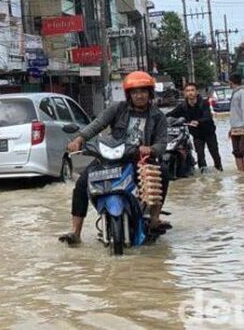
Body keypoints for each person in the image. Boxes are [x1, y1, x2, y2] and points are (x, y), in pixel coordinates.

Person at [58, 71, 169, 245]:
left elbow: (162, 143)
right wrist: (79, 139)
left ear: (150, 93)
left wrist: (151, 149)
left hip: (140, 159)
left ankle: (154, 218)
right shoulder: (118, 108)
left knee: (163, 171)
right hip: (112, 157)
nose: (139, 95)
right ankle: (75, 231)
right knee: (81, 183)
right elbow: (97, 124)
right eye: (134, 92)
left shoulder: (158, 116)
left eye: (143, 91)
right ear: (129, 94)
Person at [167, 82, 222, 172]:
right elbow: (170, 114)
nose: (190, 93)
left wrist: (198, 121)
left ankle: (219, 170)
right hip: (197, 135)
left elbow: (207, 117)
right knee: (200, 155)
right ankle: (203, 175)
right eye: (188, 91)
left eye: (192, 90)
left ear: (196, 92)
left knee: (214, 153)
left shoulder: (204, 103)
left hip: (209, 133)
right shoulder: (183, 106)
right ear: (184, 93)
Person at [229, 73, 244, 172]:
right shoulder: (235, 93)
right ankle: (240, 175)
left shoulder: (242, 92)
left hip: (242, 128)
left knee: (242, 151)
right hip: (235, 129)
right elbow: (235, 113)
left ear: (230, 82)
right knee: (237, 152)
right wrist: (231, 129)